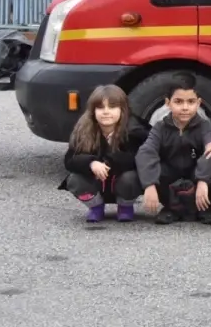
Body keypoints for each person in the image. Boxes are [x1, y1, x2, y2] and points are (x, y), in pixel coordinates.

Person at [136, 72, 211, 225]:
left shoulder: (204, 125)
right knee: (154, 166)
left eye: (190, 102)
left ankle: (206, 207)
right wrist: (149, 185)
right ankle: (171, 208)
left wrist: (203, 180)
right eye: (178, 102)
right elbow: (146, 152)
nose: (185, 107)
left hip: (194, 172)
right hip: (171, 173)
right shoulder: (160, 127)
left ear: (198, 103)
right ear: (168, 103)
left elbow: (210, 148)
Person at [59, 84, 149, 223]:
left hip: (122, 183)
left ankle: (125, 206)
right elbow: (70, 160)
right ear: (93, 111)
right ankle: (96, 207)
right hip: (96, 183)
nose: (106, 112)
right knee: (75, 180)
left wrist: (110, 162)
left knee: (132, 177)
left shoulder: (135, 131)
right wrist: (91, 162)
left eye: (112, 107)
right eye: (100, 107)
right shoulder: (84, 130)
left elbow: (140, 158)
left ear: (123, 110)